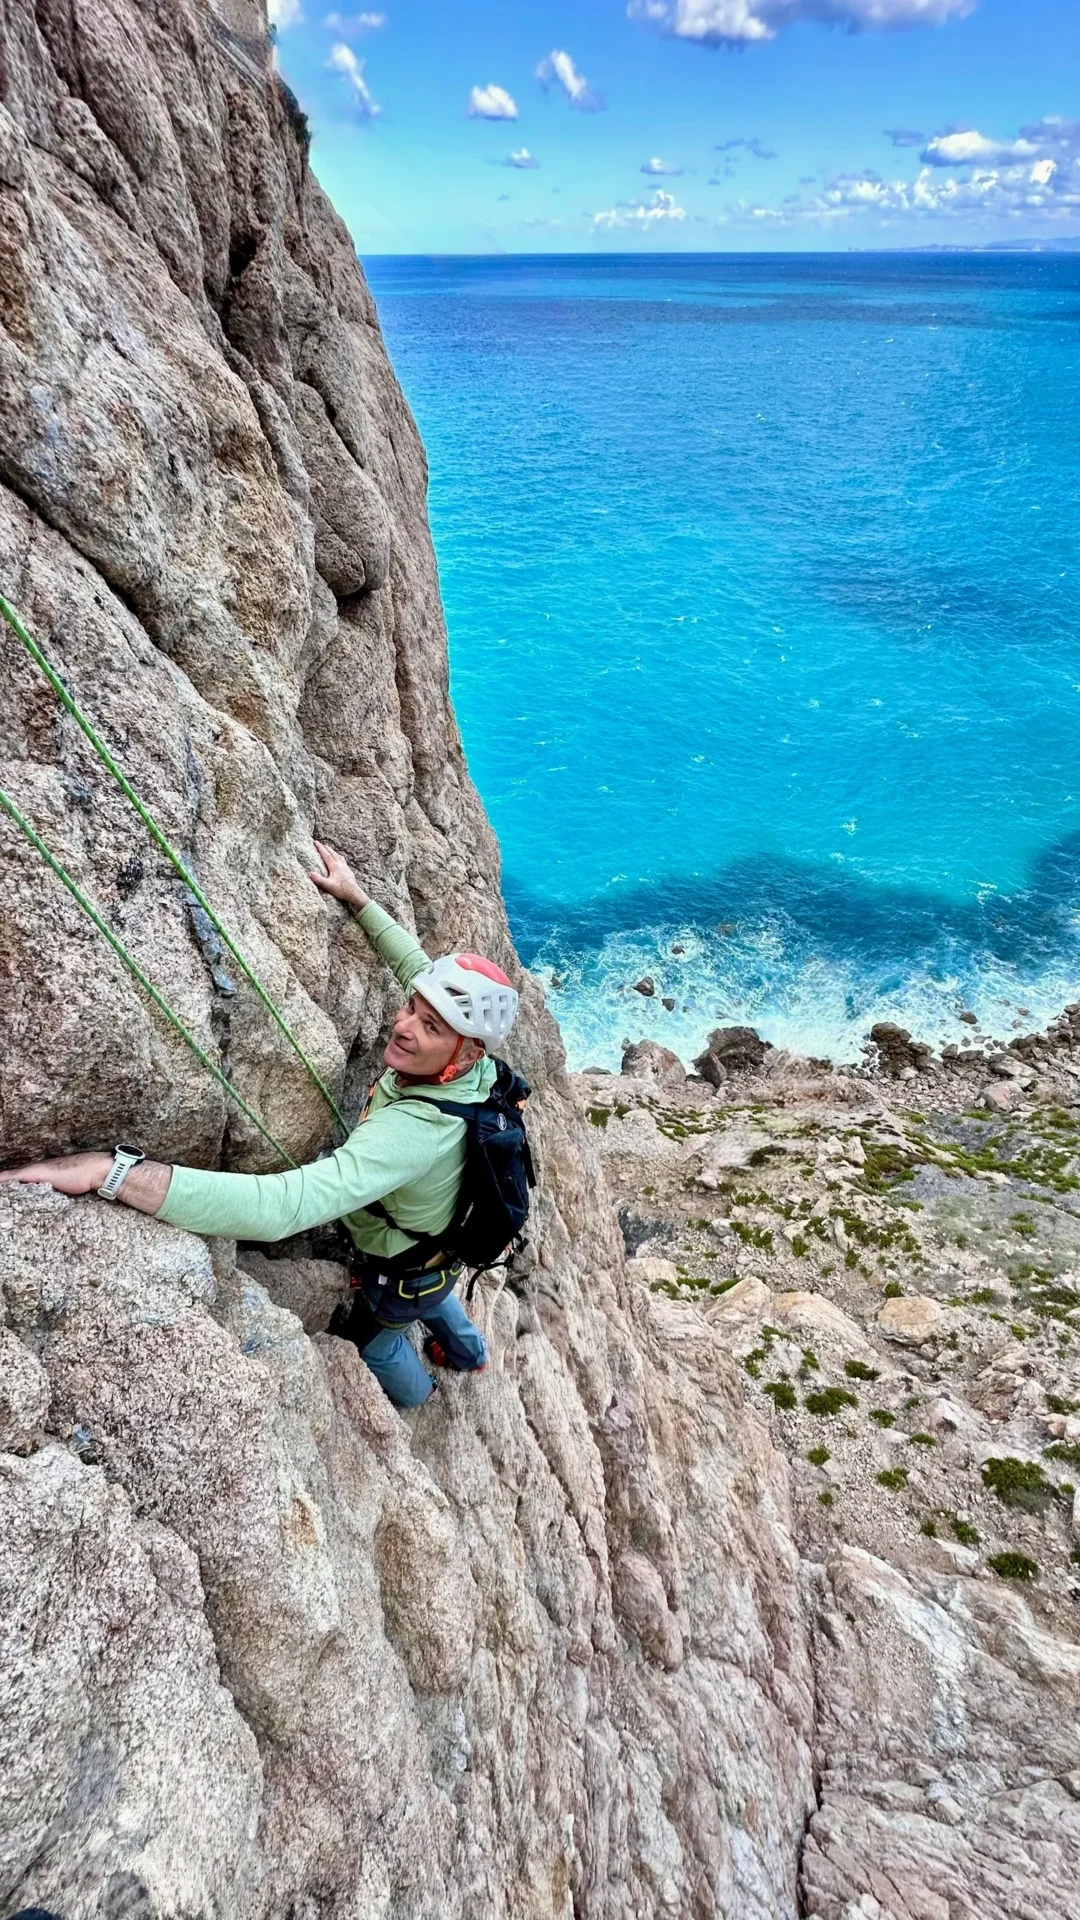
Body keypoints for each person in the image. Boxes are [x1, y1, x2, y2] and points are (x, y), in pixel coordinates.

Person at [0, 843, 519, 1409]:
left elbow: (281, 1207)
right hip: (431, 1252)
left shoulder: (415, 1133)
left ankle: (421, 1395)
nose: (404, 1027)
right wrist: (357, 897)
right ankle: (471, 1351)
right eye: (411, 1009)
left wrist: (115, 1171)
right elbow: (414, 963)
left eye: (428, 1026)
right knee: (434, 1293)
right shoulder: (473, 1067)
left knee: (380, 1340)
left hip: (398, 1266)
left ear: (464, 1054)